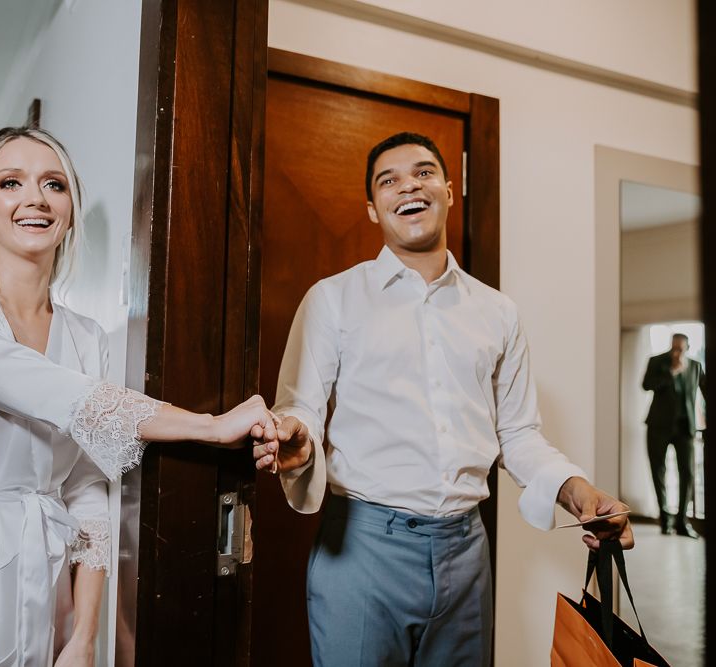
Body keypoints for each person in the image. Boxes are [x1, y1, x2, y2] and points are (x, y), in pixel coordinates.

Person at [0, 126, 277, 667]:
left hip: (38, 573)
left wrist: (85, 636)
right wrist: (209, 425)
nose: (34, 199)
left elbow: (87, 492)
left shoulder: (87, 338)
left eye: (54, 185)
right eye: (11, 182)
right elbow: (47, 389)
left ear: (69, 209)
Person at [251, 132, 633, 666]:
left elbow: (518, 435)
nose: (409, 185)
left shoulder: (498, 312)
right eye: (389, 179)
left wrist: (579, 493)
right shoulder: (332, 299)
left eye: (424, 172)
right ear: (372, 208)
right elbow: (302, 410)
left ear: (450, 191)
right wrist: (297, 439)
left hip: (467, 554)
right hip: (362, 552)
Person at [642, 332, 706, 538]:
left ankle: (682, 521)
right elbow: (646, 385)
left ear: (687, 347)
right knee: (658, 471)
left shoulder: (695, 366)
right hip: (658, 427)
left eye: (680, 348)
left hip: (684, 428)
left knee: (687, 473)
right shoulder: (657, 362)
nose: (676, 352)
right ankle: (665, 520)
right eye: (673, 348)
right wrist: (671, 372)